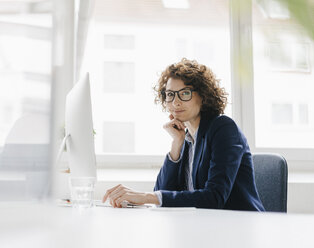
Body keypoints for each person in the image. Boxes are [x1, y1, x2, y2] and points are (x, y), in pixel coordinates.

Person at [102, 58, 265, 211]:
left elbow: (214, 198)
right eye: (170, 94)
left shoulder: (223, 128)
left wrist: (145, 197)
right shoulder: (187, 139)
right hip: (202, 227)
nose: (175, 102)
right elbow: (161, 192)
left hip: (239, 228)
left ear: (203, 96)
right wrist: (176, 145)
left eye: (185, 93)